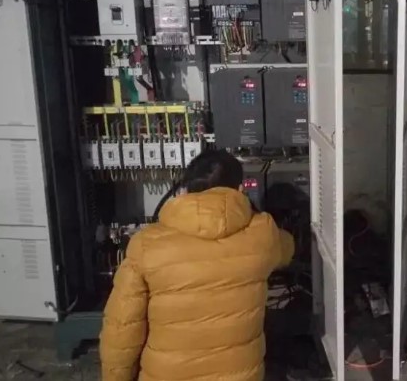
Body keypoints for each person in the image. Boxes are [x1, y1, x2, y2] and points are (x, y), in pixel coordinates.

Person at [99, 149, 295, 381]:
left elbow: (121, 328)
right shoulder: (264, 234)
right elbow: (288, 249)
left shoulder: (146, 245)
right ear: (241, 189)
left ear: (184, 190)